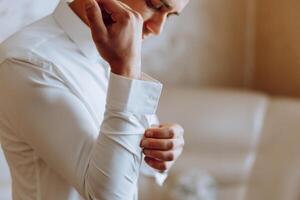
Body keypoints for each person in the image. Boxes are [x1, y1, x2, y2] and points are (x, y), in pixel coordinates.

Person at [0, 0, 189, 199]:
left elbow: (133, 162)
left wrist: (161, 147)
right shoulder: (25, 61)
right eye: (155, 5)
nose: (158, 29)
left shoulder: (118, 53)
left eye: (170, 15)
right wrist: (126, 73)